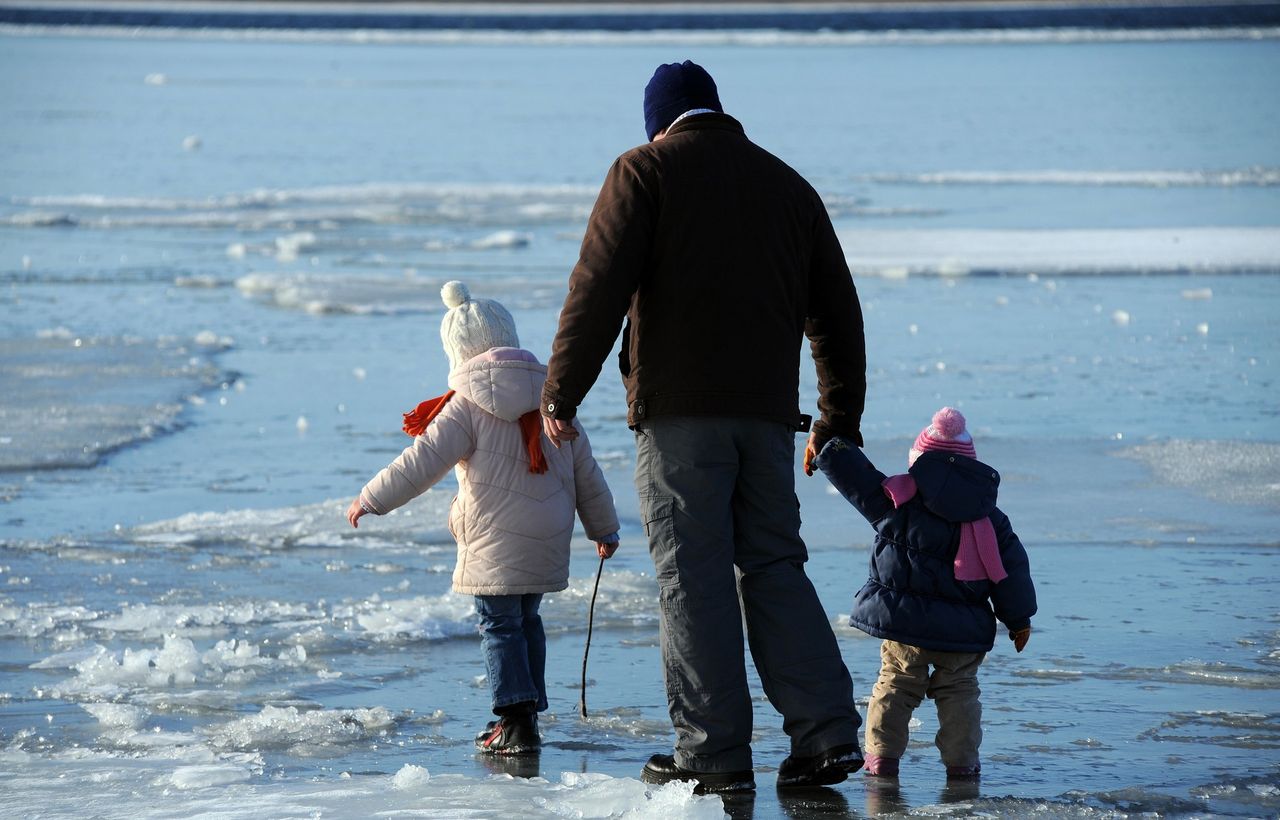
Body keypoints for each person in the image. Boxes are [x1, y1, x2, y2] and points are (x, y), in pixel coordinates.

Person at [539, 60, 867, 792]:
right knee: (774, 562)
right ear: (718, 111)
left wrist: (560, 394)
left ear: (658, 121)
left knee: (693, 577)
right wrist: (836, 420)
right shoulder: (789, 187)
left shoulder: (643, 172)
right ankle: (826, 734)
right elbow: (837, 315)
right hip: (768, 420)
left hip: (679, 415)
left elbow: (597, 286)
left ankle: (712, 755)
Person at [346, 280, 620, 755]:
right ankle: (526, 715)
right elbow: (585, 469)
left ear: (458, 352)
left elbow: (422, 462)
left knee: (498, 624)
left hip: (494, 536)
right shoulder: (553, 398)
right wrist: (604, 526)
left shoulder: (465, 407)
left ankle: (514, 724)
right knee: (526, 621)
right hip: (547, 534)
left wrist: (371, 498)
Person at [813, 407, 1037, 780]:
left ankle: (882, 759)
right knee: (960, 693)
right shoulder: (990, 517)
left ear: (919, 462)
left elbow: (858, 478)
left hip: (904, 624)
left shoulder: (898, 500)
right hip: (962, 633)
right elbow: (1012, 570)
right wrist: (1019, 619)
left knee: (896, 685)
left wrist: (828, 446)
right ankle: (962, 763)